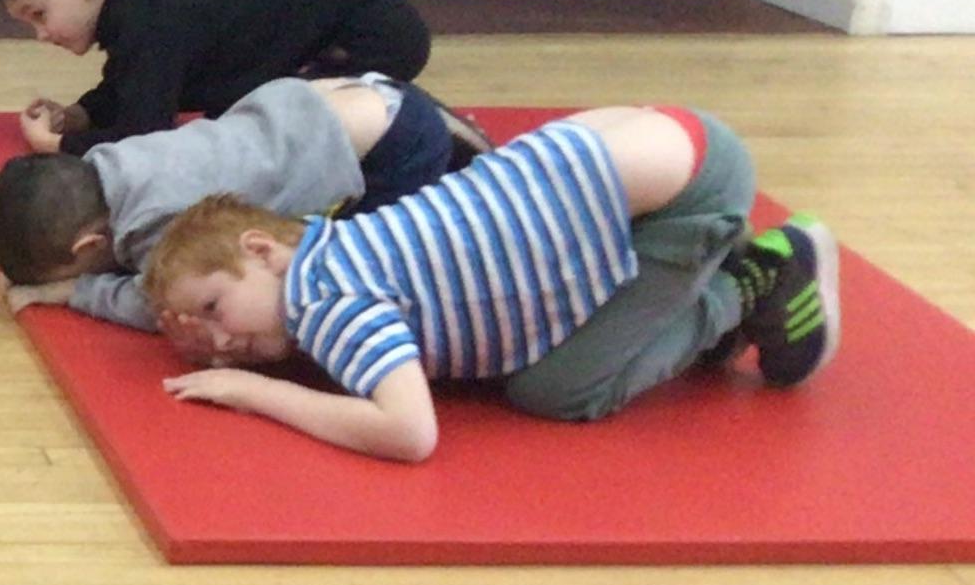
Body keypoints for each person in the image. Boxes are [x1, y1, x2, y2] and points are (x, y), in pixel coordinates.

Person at [138, 105, 837, 460]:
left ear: (263, 251)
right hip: (658, 139)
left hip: (685, 193)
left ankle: (750, 281)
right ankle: (710, 267)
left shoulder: (323, 302)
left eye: (214, 307)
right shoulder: (334, 237)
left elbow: (410, 433)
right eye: (212, 338)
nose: (223, 339)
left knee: (553, 391)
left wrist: (252, 391)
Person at [0, 74, 478, 332]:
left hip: (388, 150)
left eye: (75, 267)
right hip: (329, 98)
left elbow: (164, 302)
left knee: (364, 263)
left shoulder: (156, 219)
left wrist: (75, 291)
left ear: (90, 244)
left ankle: (450, 160)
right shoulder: (111, 162)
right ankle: (430, 125)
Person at [0, 0, 438, 157]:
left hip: (376, 36)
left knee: (274, 133)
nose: (41, 35)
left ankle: (427, 134)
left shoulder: (150, 23)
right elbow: (129, 86)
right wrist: (80, 114)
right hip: (367, 26)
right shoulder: (139, 9)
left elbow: (145, 137)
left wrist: (57, 145)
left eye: (40, 15)